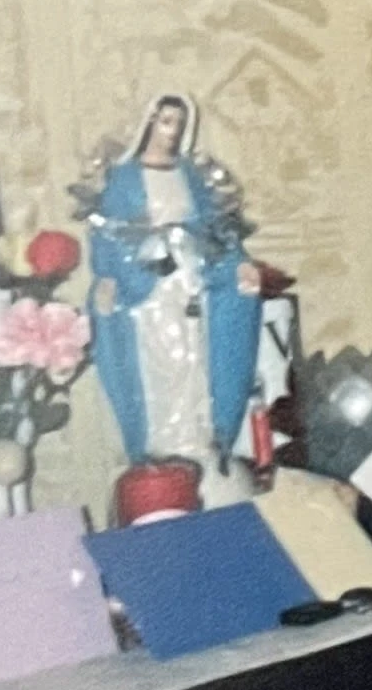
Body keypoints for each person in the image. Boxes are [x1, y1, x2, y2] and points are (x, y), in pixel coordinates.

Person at [77, 92, 263, 476]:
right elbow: (107, 233)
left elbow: (216, 230)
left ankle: (198, 442)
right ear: (149, 122)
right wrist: (109, 277)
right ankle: (160, 445)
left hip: (190, 281)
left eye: (177, 123)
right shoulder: (125, 178)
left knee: (193, 361)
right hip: (146, 287)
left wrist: (238, 265)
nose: (170, 130)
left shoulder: (190, 176)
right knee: (160, 362)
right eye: (164, 120)